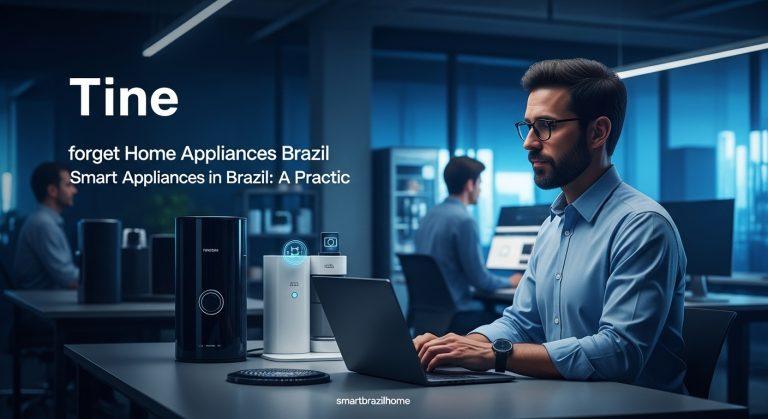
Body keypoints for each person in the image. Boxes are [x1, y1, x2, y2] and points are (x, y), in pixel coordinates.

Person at [413, 58, 688, 394]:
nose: (529, 142)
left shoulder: (641, 225)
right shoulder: (553, 225)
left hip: (632, 408)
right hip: (567, 401)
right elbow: (521, 322)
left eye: (546, 125)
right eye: (527, 126)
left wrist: (494, 354)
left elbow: (619, 352)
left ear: (597, 132)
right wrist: (461, 347)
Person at [415, 156, 520, 333]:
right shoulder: (463, 221)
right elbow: (480, 280)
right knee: (516, 325)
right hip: (457, 318)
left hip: (427, 318)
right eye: (480, 182)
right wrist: (510, 281)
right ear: (470, 184)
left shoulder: (428, 216)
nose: (480, 189)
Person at [14, 162, 79, 289]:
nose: (74, 190)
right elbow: (69, 279)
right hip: (41, 305)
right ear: (52, 191)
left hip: (46, 303)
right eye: (68, 185)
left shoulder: (45, 221)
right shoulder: (44, 225)